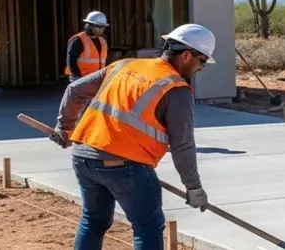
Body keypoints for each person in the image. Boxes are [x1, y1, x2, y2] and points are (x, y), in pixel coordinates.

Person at [51, 23, 217, 249]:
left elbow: (75, 90)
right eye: (203, 61)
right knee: (147, 226)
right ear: (187, 55)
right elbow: (183, 145)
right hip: (125, 166)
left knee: (93, 221)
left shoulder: (123, 65)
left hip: (84, 157)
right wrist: (194, 187)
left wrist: (65, 128)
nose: (202, 68)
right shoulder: (176, 89)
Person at [64, 11, 110, 82]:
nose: (101, 29)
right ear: (90, 25)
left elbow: (103, 61)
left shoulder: (103, 41)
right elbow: (71, 60)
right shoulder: (78, 39)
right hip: (81, 79)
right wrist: (76, 76)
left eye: (102, 27)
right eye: (98, 26)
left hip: (97, 78)